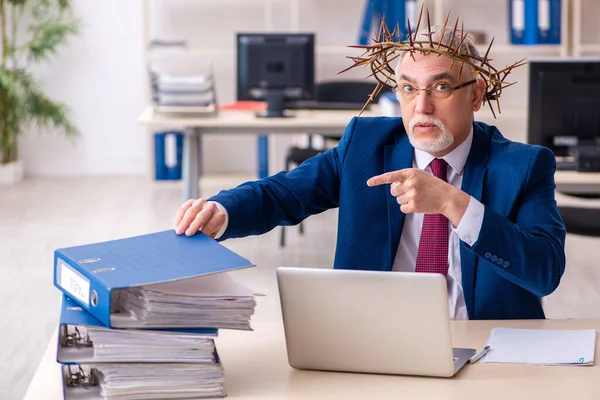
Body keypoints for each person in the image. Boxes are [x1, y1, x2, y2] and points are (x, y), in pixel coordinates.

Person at [174, 24, 566, 320]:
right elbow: (284, 193)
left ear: (475, 94)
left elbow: (544, 271)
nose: (422, 107)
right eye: (408, 89)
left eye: (441, 87)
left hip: (485, 346)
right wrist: (221, 211)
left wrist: (454, 203)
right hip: (374, 335)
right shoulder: (366, 143)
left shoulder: (524, 165)